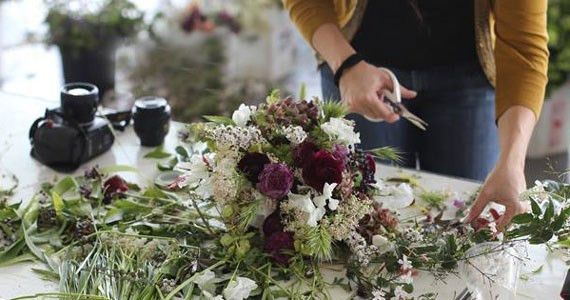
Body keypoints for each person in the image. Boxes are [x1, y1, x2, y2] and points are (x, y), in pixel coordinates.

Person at [283, 0, 549, 228]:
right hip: (357, 68)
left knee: (469, 221)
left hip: (469, 77)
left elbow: (524, 47)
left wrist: (512, 163)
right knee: (362, 222)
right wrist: (346, 65)